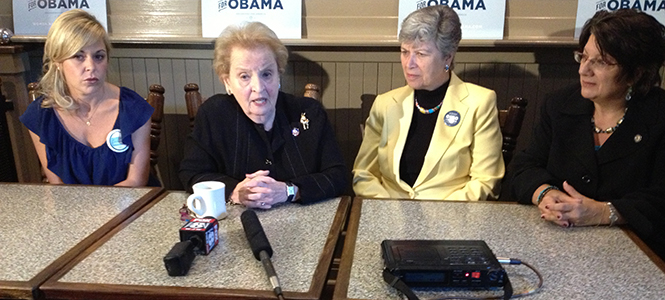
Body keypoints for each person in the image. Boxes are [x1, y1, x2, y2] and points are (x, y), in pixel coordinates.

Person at [511, 9, 665, 259]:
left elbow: (660, 200)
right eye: (583, 57)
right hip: (557, 246)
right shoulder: (560, 105)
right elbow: (524, 166)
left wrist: (605, 212)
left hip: (636, 252)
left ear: (636, 73)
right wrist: (546, 194)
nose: (584, 70)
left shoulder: (659, 116)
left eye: (601, 62)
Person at [179, 22, 347, 209]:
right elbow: (192, 173)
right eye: (244, 76)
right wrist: (235, 191)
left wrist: (289, 191)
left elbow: (338, 176)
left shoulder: (309, 114)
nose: (258, 88)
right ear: (227, 81)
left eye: (266, 74)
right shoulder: (214, 114)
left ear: (278, 76)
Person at [352, 5, 504, 200]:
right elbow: (364, 175)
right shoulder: (385, 103)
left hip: (451, 221)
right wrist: (388, 211)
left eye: (421, 54)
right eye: (404, 52)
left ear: (447, 57)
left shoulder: (479, 103)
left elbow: (485, 181)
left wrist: (435, 221)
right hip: (389, 217)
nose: (409, 63)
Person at [20, 9, 154, 186]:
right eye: (78, 56)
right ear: (58, 63)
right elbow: (58, 188)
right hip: (73, 211)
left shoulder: (133, 108)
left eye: (98, 56)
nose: (91, 66)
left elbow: (136, 183)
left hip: (129, 209)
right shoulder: (41, 115)